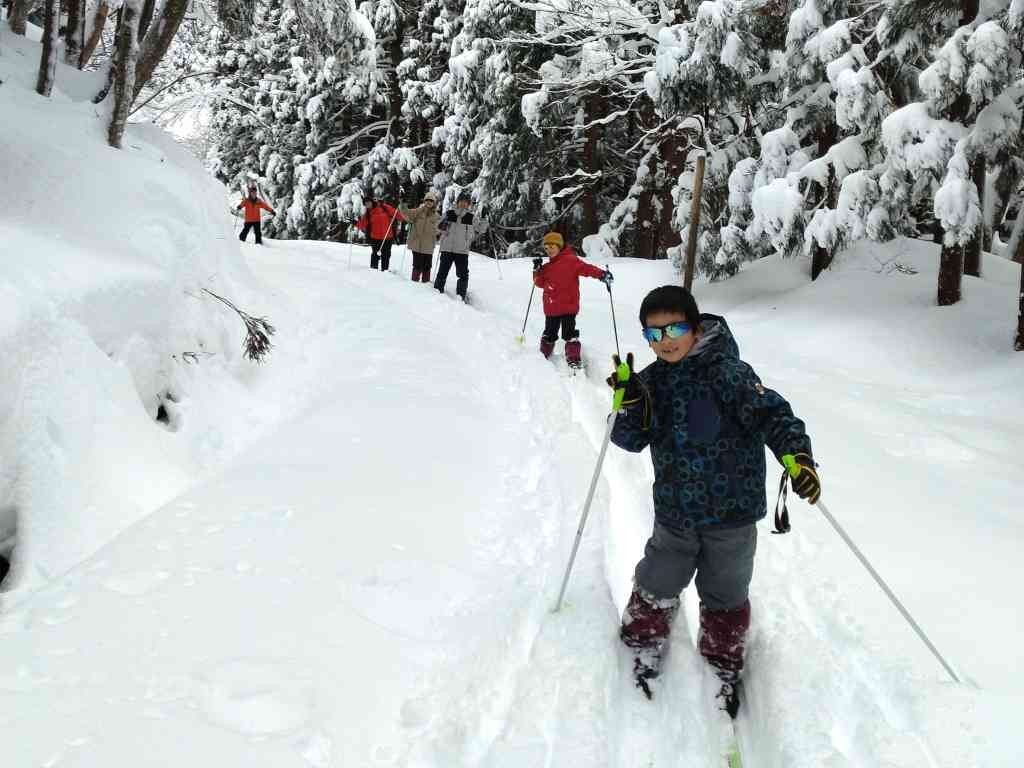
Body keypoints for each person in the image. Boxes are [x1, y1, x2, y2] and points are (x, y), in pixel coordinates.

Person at [606, 285, 821, 717]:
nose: (665, 341)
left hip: (733, 515)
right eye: (654, 334)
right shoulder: (650, 381)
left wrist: (797, 456)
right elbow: (627, 440)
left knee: (726, 590)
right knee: (659, 577)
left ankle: (723, 663)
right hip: (676, 512)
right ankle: (643, 640)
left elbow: (772, 414)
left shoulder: (729, 373)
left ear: (696, 326)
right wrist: (629, 405)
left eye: (675, 329)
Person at [532, 232, 611, 368]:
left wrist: (602, 274)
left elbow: (587, 269)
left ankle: (573, 358)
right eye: (546, 248)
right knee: (549, 333)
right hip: (551, 307)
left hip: (569, 306)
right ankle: (543, 355)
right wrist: (537, 270)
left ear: (559, 246)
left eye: (552, 246)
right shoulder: (546, 267)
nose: (549, 250)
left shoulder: (571, 260)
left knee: (569, 334)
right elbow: (539, 283)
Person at [434, 191, 488, 301]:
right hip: (447, 249)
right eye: (461, 201)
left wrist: (483, 218)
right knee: (442, 273)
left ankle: (461, 296)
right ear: (457, 202)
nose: (463, 204)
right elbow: (438, 228)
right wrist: (442, 225)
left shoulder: (471, 217)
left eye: (466, 202)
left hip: (462, 251)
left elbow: (481, 229)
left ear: (469, 204)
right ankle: (437, 292)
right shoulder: (449, 214)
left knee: (463, 275)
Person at [355, 195, 405, 271]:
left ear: (372, 201)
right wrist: (355, 223)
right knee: (375, 255)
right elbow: (362, 225)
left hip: (387, 237)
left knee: (386, 255)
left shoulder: (384, 207)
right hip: (375, 238)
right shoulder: (368, 214)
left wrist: (403, 219)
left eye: (368, 202)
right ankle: (373, 271)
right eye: (365, 204)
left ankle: (385, 272)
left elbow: (395, 213)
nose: (367, 204)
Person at [401, 191, 441, 282]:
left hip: (428, 245)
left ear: (434, 203)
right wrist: (403, 203)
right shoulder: (418, 212)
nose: (429, 202)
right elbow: (406, 213)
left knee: (427, 266)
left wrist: (439, 230)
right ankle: (414, 283)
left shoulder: (437, 216)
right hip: (417, 244)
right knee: (417, 265)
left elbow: (439, 229)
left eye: (431, 201)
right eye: (427, 200)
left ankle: (425, 285)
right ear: (424, 201)